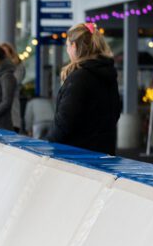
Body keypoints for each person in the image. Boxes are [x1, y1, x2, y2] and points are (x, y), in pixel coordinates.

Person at [48, 22, 121, 154]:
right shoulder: (108, 74)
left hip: (76, 157)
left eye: (67, 46)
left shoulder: (79, 78)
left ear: (74, 46)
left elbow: (64, 122)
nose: (67, 50)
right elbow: (115, 113)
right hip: (103, 153)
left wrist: (48, 144)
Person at [0, 42, 26, 132]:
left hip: (12, 110)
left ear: (11, 53)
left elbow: (13, 83)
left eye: (5, 52)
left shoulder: (18, 66)